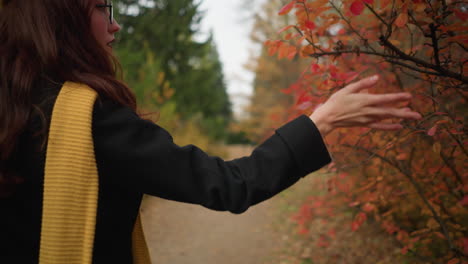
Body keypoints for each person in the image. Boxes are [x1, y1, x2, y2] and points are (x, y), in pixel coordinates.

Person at [0, 0, 422, 263]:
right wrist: (322, 120)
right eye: (102, 7)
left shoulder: (14, 109)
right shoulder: (90, 119)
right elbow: (229, 184)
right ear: (62, 19)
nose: (115, 26)